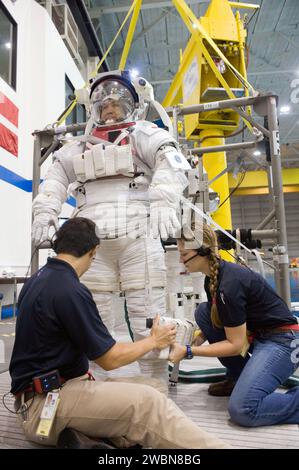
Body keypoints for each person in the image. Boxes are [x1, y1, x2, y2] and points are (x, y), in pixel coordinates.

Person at [9, 218, 228, 449]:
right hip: (45, 407)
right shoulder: (70, 290)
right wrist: (154, 340)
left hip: (47, 394)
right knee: (148, 403)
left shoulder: (38, 279)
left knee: (155, 387)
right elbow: (109, 359)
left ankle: (90, 439)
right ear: (94, 251)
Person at [31, 70, 190, 381]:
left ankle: (155, 387)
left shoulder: (145, 134)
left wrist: (163, 201)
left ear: (132, 105)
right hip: (92, 245)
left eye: (117, 102)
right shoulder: (77, 147)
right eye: (104, 104)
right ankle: (98, 390)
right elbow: (54, 180)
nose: (110, 107)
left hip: (138, 236)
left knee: (150, 317)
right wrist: (44, 212)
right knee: (95, 321)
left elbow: (170, 163)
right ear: (94, 109)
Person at [170, 222, 299, 428]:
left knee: (244, 409)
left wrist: (188, 350)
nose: (180, 260)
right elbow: (224, 319)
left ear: (203, 251)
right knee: (204, 312)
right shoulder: (212, 278)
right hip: (260, 336)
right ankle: (238, 378)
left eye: (184, 255)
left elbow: (235, 345)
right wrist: (197, 337)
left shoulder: (229, 285)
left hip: (284, 341)